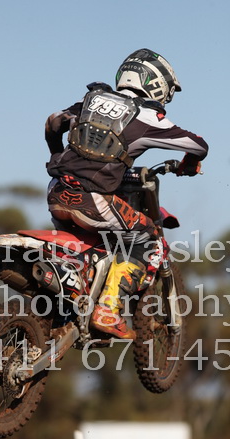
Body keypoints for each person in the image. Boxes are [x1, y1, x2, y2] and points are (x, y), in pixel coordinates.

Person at [45, 48, 208, 340]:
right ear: (157, 84)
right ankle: (108, 309)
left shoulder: (90, 99)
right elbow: (199, 145)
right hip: (94, 201)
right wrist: (189, 164)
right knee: (148, 239)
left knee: (88, 246)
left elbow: (53, 123)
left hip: (56, 192)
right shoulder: (148, 116)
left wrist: (57, 157)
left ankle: (68, 306)